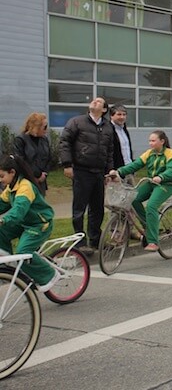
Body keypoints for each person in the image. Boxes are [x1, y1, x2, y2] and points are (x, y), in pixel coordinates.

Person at [59, 97, 114, 254]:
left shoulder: (108, 127)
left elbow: (109, 151)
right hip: (81, 171)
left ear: (104, 110)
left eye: (99, 102)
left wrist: (109, 171)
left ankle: (95, 241)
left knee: (97, 209)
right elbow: (65, 142)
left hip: (99, 172)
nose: (95, 102)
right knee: (79, 209)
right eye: (94, 101)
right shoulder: (77, 122)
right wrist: (67, 164)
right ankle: (79, 242)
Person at [108, 131, 172, 252]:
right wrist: (119, 172)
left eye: (153, 141)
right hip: (151, 183)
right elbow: (135, 165)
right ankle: (148, 226)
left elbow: (171, 170)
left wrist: (161, 177)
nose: (150, 143)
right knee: (133, 199)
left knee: (151, 206)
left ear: (162, 141)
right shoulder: (149, 153)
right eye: (150, 141)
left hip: (165, 185)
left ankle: (153, 241)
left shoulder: (170, 153)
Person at [0, 154, 59, 291]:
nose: (0, 180)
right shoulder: (10, 188)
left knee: (23, 251)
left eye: (2, 176)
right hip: (24, 222)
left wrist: (3, 220)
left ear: (12, 172)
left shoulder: (25, 187)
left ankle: (50, 275)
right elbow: (2, 204)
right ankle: (9, 263)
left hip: (39, 224)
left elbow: (18, 211)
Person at [13, 112, 50, 195]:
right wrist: (35, 175)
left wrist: (44, 174)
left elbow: (48, 158)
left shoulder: (44, 140)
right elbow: (20, 160)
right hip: (26, 179)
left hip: (41, 181)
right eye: (44, 127)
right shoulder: (21, 140)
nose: (46, 130)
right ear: (36, 127)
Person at [109, 105, 134, 183]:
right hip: (116, 172)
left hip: (129, 169)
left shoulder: (124, 130)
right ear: (111, 116)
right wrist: (111, 171)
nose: (122, 117)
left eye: (124, 114)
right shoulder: (108, 131)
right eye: (119, 114)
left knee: (131, 194)